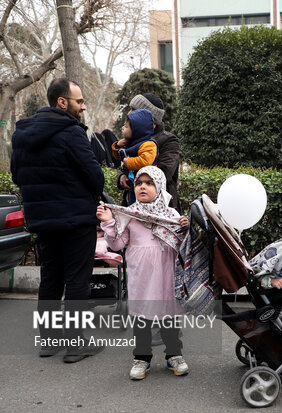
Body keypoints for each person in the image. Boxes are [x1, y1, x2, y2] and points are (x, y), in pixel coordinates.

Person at [11, 77, 105, 363]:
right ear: (62, 102)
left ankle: (50, 341)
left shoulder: (22, 135)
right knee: (77, 280)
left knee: (51, 278)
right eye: (79, 101)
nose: (83, 106)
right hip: (76, 219)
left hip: (43, 220)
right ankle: (76, 345)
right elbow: (95, 177)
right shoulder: (72, 132)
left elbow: (17, 176)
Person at [97, 166, 190, 380]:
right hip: (141, 276)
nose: (143, 187)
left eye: (149, 183)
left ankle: (174, 355)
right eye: (139, 183)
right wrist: (109, 222)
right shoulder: (129, 215)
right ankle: (141, 358)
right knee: (142, 319)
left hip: (166, 276)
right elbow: (118, 243)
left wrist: (184, 227)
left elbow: (182, 245)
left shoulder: (171, 215)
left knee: (169, 317)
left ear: (160, 187)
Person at [118, 93, 180, 211]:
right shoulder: (132, 140)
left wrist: (135, 177)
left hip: (159, 211)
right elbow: (124, 166)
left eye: (133, 110)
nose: (129, 113)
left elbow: (164, 172)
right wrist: (122, 177)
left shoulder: (168, 140)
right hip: (132, 206)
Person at [111, 109, 158, 205]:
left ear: (137, 130)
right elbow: (119, 157)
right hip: (133, 185)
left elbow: (145, 161)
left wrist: (128, 162)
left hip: (144, 185)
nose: (122, 128)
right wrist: (118, 146)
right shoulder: (131, 143)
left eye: (126, 126)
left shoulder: (148, 144)